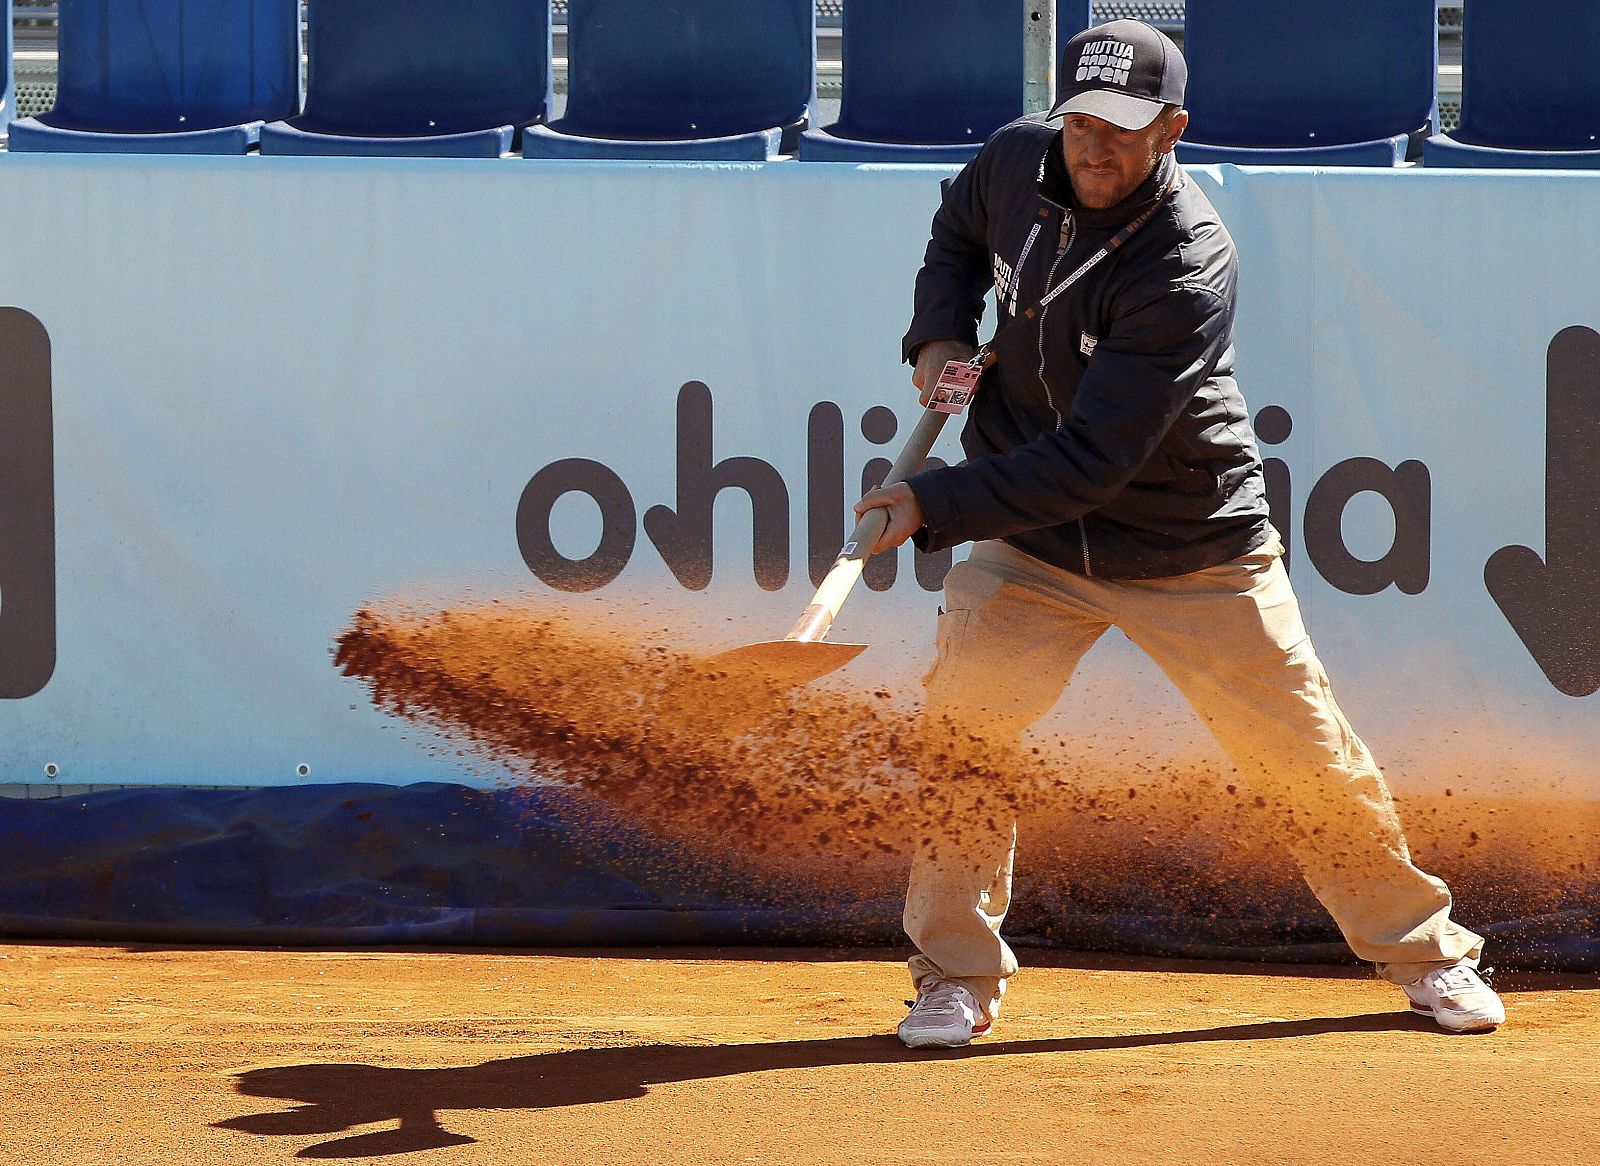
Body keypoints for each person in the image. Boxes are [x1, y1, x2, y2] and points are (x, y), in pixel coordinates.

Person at [854, 19, 1505, 1048]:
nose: (1094, 149)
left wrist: (934, 503)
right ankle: (952, 975)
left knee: (1305, 756)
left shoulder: (1189, 261)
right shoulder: (1013, 160)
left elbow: (1093, 461)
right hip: (1031, 547)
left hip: (1187, 543)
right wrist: (940, 328)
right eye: (1081, 125)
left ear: (1172, 130)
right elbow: (954, 231)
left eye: (1122, 130)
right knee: (963, 735)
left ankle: (1428, 953)